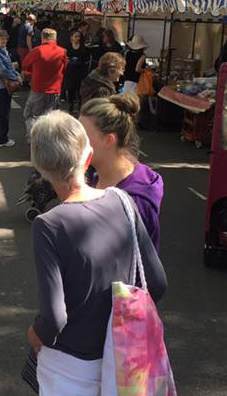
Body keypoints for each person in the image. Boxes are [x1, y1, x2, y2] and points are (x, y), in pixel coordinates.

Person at [27, 111, 167, 394]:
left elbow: (55, 318)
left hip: (71, 362)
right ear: (87, 156)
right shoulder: (123, 200)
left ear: (40, 167)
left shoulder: (49, 225)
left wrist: (35, 333)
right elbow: (158, 283)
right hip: (123, 353)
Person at [80, 94, 164, 250]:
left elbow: (143, 266)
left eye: (83, 136)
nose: (76, 142)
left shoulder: (136, 203)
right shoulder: (93, 172)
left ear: (109, 140)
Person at [22, 28, 68, 141]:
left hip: (38, 88)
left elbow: (25, 64)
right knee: (51, 120)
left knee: (32, 116)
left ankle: (34, 141)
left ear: (42, 38)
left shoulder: (37, 51)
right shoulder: (62, 51)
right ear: (55, 38)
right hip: (55, 89)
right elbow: (64, 66)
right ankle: (49, 142)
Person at [0, 29, 21, 148]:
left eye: (5, 39)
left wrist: (16, 75)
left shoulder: (2, 51)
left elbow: (7, 68)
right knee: (4, 113)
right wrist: (16, 77)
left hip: (3, 85)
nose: (4, 41)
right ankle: (2, 139)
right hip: (3, 86)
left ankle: (1, 136)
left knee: (4, 112)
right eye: (1, 39)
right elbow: (2, 70)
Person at [63, 30, 90, 114]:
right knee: (70, 88)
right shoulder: (67, 47)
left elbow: (86, 58)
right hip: (70, 70)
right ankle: (71, 106)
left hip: (79, 70)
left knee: (79, 89)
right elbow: (64, 57)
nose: (77, 38)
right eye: (76, 36)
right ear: (71, 37)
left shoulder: (83, 47)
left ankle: (79, 106)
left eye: (79, 36)